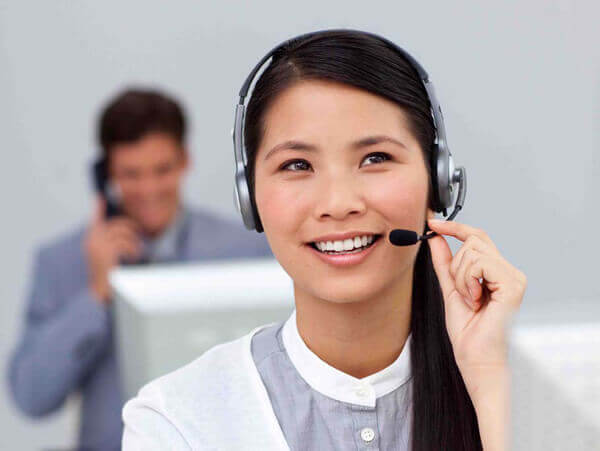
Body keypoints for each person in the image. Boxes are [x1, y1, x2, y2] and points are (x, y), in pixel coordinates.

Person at [121, 30, 527, 450]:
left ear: (438, 181)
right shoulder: (178, 420)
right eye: (297, 164)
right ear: (250, 198)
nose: (337, 203)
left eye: (375, 158)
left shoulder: (539, 393)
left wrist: (491, 380)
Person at [8, 88, 272, 450]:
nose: (149, 189)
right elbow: (31, 397)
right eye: (131, 174)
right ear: (107, 174)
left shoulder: (245, 250)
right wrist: (97, 293)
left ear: (185, 160)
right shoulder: (63, 261)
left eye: (162, 170)